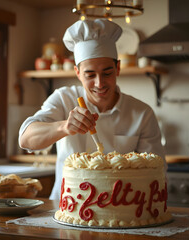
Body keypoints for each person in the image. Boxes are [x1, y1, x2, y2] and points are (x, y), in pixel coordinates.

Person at [19, 19, 165, 201]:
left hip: (120, 211)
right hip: (64, 207)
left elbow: (155, 173)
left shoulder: (142, 113)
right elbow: (26, 138)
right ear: (77, 72)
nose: (99, 83)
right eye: (90, 75)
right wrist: (64, 127)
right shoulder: (64, 99)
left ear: (118, 68)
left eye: (107, 73)